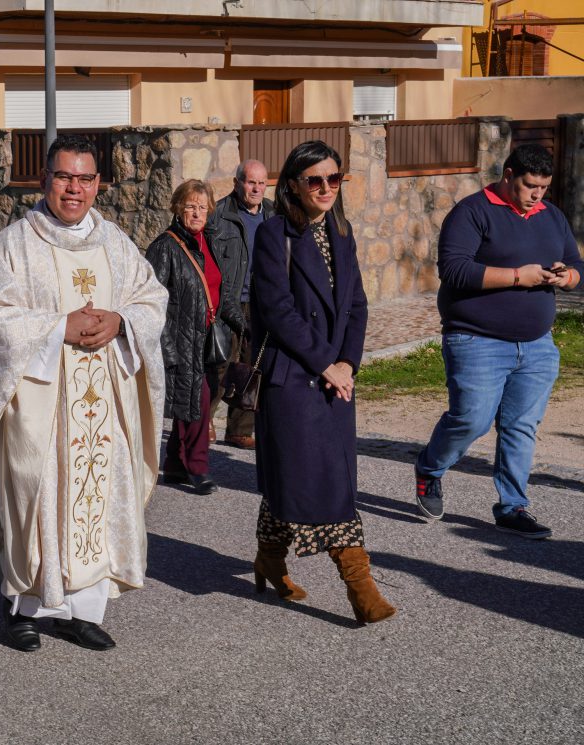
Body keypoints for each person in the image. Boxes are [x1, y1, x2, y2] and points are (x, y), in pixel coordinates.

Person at [0, 134, 167, 653]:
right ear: (45, 179)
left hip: (101, 407)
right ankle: (24, 607)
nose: (74, 188)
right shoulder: (16, 244)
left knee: (95, 502)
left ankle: (80, 609)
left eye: (85, 178)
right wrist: (58, 328)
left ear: (99, 184)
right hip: (39, 404)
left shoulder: (114, 242)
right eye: (64, 177)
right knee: (33, 499)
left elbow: (151, 297)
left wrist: (120, 321)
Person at [249, 140, 394, 624]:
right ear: (293, 184)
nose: (327, 188)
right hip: (294, 380)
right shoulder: (275, 235)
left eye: (335, 179)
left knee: (311, 481)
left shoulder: (343, 231)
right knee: (321, 482)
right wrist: (325, 363)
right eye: (315, 180)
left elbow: (356, 305)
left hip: (336, 380)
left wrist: (349, 362)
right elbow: (278, 311)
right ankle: (361, 587)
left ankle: (269, 558)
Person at [414, 144, 581, 539]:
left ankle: (513, 506)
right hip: (476, 340)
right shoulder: (471, 212)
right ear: (508, 175)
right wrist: (516, 276)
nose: (537, 194)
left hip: (537, 344)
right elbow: (454, 270)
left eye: (543, 187)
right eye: (529, 185)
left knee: (521, 426)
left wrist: (568, 277)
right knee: (471, 419)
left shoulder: (551, 216)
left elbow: (578, 264)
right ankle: (430, 468)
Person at [145, 179, 244, 495]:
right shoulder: (164, 247)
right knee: (198, 404)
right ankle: (196, 467)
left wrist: (243, 325)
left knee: (195, 401)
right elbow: (150, 303)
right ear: (177, 208)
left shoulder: (210, 243)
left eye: (203, 207)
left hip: (208, 342)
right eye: (190, 206)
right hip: (181, 341)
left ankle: (174, 464)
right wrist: (167, 350)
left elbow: (222, 293)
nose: (197, 212)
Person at [212, 159, 274, 449]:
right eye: (251, 182)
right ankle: (204, 422)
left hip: (260, 302)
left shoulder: (274, 214)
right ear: (237, 183)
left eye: (262, 183)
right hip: (227, 301)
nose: (257, 188)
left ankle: (239, 430)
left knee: (251, 366)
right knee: (220, 364)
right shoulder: (219, 213)